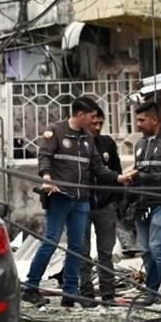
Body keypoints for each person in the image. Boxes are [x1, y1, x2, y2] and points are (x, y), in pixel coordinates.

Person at [21, 97, 130, 308]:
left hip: (82, 200)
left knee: (76, 247)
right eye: (91, 116)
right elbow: (44, 157)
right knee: (51, 241)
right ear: (80, 114)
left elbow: (98, 168)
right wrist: (46, 178)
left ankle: (70, 293)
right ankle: (31, 287)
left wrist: (118, 178)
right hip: (60, 197)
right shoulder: (55, 131)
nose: (93, 120)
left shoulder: (88, 139)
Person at [122, 101, 161, 306]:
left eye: (141, 120)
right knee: (146, 250)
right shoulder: (140, 145)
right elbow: (140, 173)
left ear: (154, 119)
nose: (138, 124)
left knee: (157, 246)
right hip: (143, 204)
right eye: (137, 120)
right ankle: (152, 293)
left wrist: (144, 177)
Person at [78, 106, 123, 307]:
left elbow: (117, 173)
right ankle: (86, 295)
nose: (96, 127)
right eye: (93, 123)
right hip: (82, 205)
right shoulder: (77, 144)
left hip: (105, 206)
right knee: (82, 252)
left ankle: (108, 295)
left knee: (106, 253)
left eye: (100, 123)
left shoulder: (107, 144)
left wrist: (117, 202)